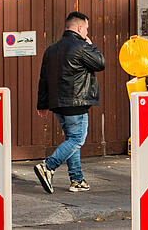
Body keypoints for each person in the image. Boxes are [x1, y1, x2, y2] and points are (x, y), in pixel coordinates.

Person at [34, 12, 105, 194]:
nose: (87, 32)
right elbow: (100, 63)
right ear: (80, 28)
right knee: (77, 139)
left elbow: (43, 78)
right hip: (76, 102)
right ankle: (48, 166)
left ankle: (77, 179)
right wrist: (91, 45)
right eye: (86, 28)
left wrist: (42, 104)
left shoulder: (51, 49)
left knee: (71, 139)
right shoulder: (81, 47)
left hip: (58, 103)